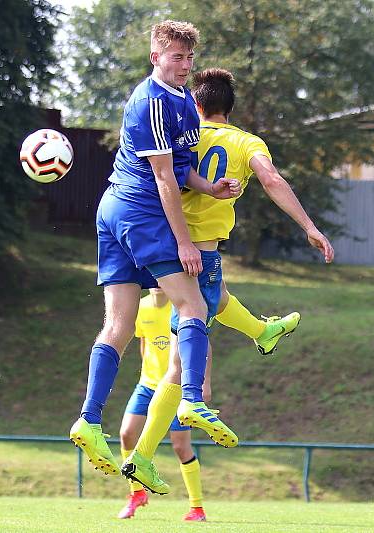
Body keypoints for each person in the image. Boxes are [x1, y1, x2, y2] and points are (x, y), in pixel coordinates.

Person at [121, 67, 335, 493]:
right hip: (200, 253)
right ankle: (144, 456)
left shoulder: (181, 131)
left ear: (195, 104)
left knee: (212, 305)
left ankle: (264, 330)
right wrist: (308, 225)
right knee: (181, 370)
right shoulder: (245, 141)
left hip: (162, 247)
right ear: (229, 108)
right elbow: (272, 179)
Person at [67, 21, 241, 482]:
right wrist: (184, 242)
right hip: (138, 213)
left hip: (116, 210)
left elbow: (182, 173)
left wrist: (211, 187)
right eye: (176, 57)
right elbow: (163, 180)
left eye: (189, 58)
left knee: (119, 323)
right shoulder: (153, 102)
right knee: (194, 303)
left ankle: (87, 420)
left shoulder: (183, 98)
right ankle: (193, 400)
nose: (184, 65)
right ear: (155, 58)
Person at [117, 288, 209, 521]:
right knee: (127, 434)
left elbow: (202, 346)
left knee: (180, 446)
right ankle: (136, 493)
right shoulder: (141, 306)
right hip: (147, 385)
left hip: (174, 388)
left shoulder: (181, 306)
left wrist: (204, 383)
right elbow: (144, 344)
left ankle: (197, 508)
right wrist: (145, 374)